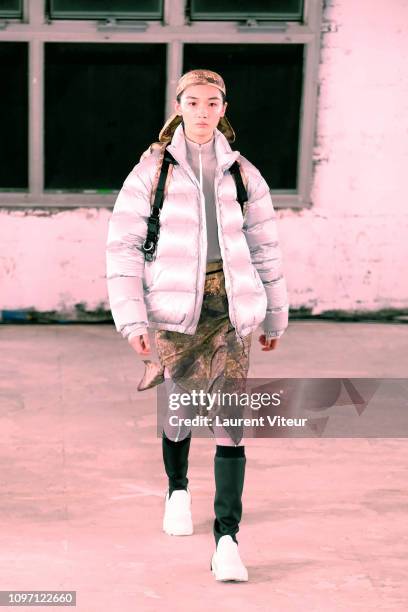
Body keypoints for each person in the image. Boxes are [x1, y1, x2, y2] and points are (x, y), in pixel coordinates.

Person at [106, 69, 289, 582]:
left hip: (229, 310)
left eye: (213, 102)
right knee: (180, 409)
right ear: (179, 106)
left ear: (224, 108)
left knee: (231, 422)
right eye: (193, 101)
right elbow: (122, 248)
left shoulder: (243, 174)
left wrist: (275, 311)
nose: (203, 111)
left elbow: (265, 247)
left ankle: (227, 540)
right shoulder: (152, 172)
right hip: (173, 312)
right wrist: (131, 318)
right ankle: (178, 489)